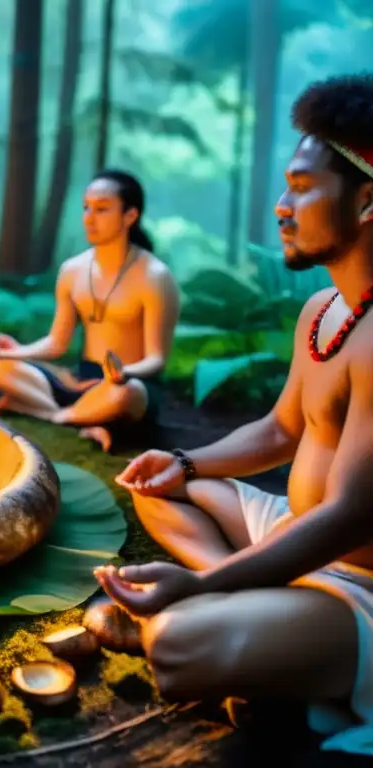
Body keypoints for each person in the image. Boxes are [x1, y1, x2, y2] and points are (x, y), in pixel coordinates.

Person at [98, 75, 373, 757]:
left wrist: (199, 584)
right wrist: (186, 462)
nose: (282, 206)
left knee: (179, 644)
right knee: (156, 491)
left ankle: (248, 612)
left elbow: (348, 517)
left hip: (359, 582)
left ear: (367, 199)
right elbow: (280, 430)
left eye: (302, 187)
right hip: (288, 529)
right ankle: (259, 600)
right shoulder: (321, 313)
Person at [0, 170, 179, 453]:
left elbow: (156, 359)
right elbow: (57, 343)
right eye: (86, 207)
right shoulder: (72, 271)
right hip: (81, 381)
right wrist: (16, 351)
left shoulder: (155, 276)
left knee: (127, 393)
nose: (89, 217)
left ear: (130, 216)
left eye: (101, 209)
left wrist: (123, 372)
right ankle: (79, 417)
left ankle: (50, 413)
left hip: (127, 385)